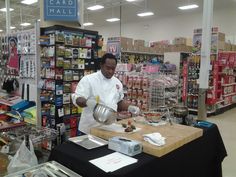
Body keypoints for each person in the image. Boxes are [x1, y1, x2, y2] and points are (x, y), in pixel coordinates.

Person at [72, 53, 140, 134]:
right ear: (101, 65)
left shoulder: (117, 83)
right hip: (90, 128)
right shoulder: (88, 80)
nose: (110, 71)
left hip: (110, 127)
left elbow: (118, 102)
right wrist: (87, 102)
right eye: (108, 68)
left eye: (113, 69)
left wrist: (130, 107)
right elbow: (77, 99)